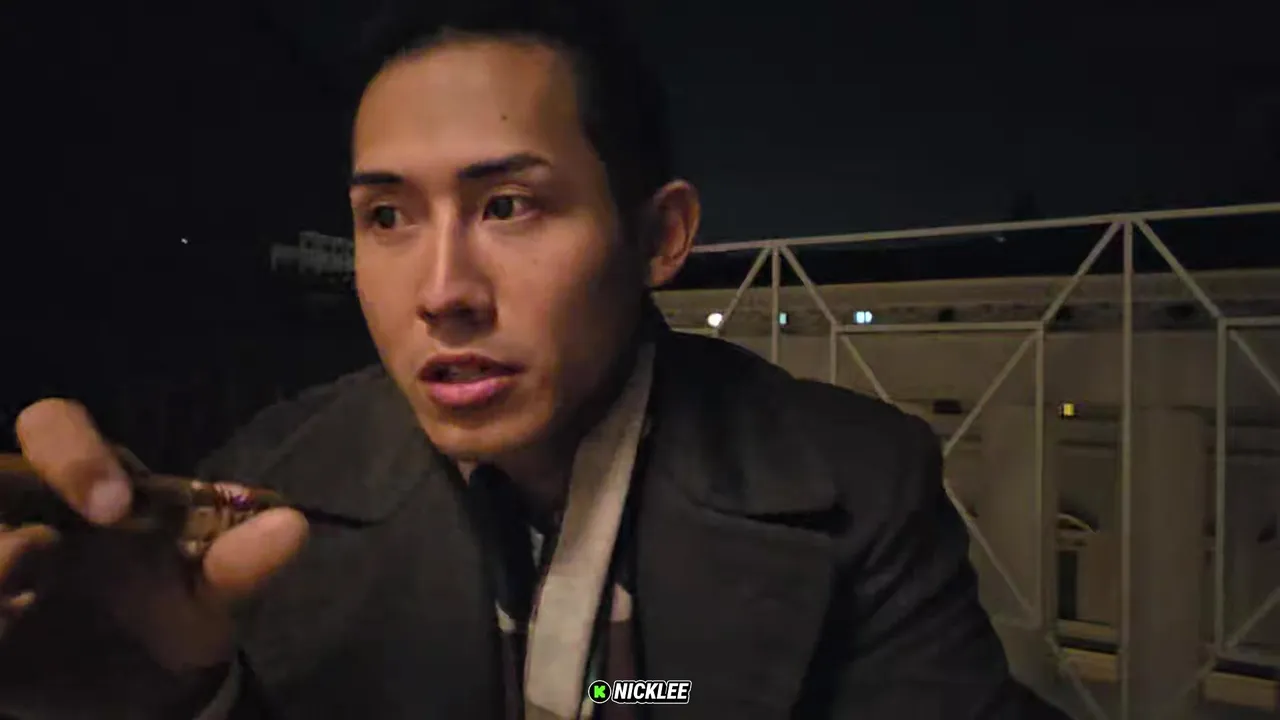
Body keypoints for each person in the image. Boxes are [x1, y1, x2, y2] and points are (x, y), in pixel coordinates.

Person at [0, 1, 1070, 718]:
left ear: (659, 236)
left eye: (508, 205)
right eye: (387, 217)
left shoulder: (857, 484)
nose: (442, 291)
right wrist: (173, 695)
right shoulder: (264, 486)